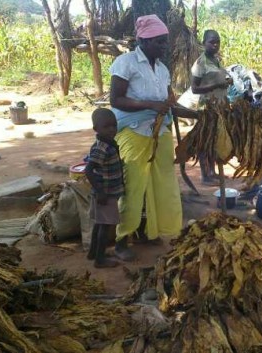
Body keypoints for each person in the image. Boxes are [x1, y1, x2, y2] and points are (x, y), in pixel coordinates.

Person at [109, 14, 183, 261]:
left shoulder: (162, 69)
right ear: (143, 40)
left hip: (160, 132)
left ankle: (155, 231)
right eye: (159, 42)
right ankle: (121, 239)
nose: (164, 46)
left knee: (163, 182)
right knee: (134, 186)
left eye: (165, 41)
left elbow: (169, 103)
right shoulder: (126, 63)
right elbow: (116, 100)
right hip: (134, 131)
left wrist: (197, 114)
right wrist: (150, 104)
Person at [190, 29, 232, 186]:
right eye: (212, 42)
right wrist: (217, 85)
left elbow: (221, 78)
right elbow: (194, 88)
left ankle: (212, 172)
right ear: (204, 43)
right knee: (205, 140)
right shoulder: (201, 63)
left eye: (218, 42)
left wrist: (227, 82)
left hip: (219, 107)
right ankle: (205, 175)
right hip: (206, 108)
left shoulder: (216, 60)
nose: (215, 45)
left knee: (215, 140)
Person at [85, 108, 123, 268]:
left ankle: (93, 252)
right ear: (96, 129)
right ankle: (100, 260)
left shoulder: (109, 144)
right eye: (107, 127)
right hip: (105, 194)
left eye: (114, 126)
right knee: (105, 226)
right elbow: (89, 169)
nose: (112, 130)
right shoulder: (102, 147)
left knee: (100, 223)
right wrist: (100, 191)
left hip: (107, 192)